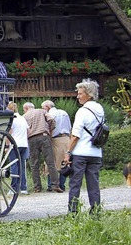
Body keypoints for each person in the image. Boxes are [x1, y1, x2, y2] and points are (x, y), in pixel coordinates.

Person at [64, 79, 104, 214]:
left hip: (81, 153)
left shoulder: (82, 111)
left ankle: (73, 212)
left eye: (81, 93)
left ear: (89, 95)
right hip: (96, 152)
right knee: (94, 185)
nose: (78, 96)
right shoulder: (100, 110)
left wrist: (68, 152)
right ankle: (96, 211)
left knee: (75, 184)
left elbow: (75, 135)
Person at [22, 102, 63, 193]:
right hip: (44, 136)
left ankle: (37, 187)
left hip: (31, 139)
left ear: (25, 108)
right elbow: (52, 120)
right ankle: (55, 185)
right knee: (50, 162)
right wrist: (49, 131)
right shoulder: (41, 111)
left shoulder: (24, 116)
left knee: (34, 164)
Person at [42, 100, 72, 191]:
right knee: (64, 162)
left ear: (47, 107)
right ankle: (62, 185)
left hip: (55, 139)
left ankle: (51, 185)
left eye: (43, 108)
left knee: (51, 162)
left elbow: (48, 128)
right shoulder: (64, 113)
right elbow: (70, 127)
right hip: (66, 138)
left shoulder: (49, 115)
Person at [7, 101, 29, 194]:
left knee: (14, 165)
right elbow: (29, 131)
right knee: (22, 166)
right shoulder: (22, 118)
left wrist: (7, 146)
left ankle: (13, 188)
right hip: (24, 144)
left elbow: (8, 133)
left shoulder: (12, 119)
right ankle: (23, 188)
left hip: (15, 144)